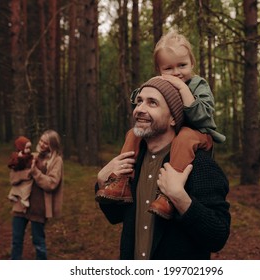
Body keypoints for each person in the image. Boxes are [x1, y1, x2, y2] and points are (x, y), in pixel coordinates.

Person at [95, 77, 230, 260]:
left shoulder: (199, 165)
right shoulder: (131, 160)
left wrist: (180, 199)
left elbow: (217, 237)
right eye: (139, 101)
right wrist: (103, 182)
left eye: (152, 103)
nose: (140, 109)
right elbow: (116, 216)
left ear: (173, 118)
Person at [95, 30, 226, 220]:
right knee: (133, 133)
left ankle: (168, 193)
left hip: (198, 132)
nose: (176, 73)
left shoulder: (198, 85)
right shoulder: (159, 84)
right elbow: (116, 218)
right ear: (160, 70)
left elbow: (203, 116)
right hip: (175, 135)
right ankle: (122, 180)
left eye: (182, 65)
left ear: (192, 64)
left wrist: (182, 88)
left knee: (184, 138)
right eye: (169, 68)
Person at [9, 130, 64, 260]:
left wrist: (35, 172)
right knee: (16, 240)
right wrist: (23, 173)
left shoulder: (56, 161)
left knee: (38, 242)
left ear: (53, 145)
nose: (42, 144)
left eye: (46, 143)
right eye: (41, 141)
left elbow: (51, 184)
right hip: (21, 204)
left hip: (39, 207)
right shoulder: (32, 155)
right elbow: (13, 177)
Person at [7, 136, 33, 212]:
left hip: (21, 172)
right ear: (21, 148)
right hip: (19, 172)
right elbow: (13, 163)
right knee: (27, 185)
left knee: (19, 185)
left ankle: (12, 195)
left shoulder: (27, 155)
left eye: (29, 148)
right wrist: (20, 158)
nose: (28, 150)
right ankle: (24, 198)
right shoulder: (17, 155)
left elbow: (30, 160)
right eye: (26, 148)